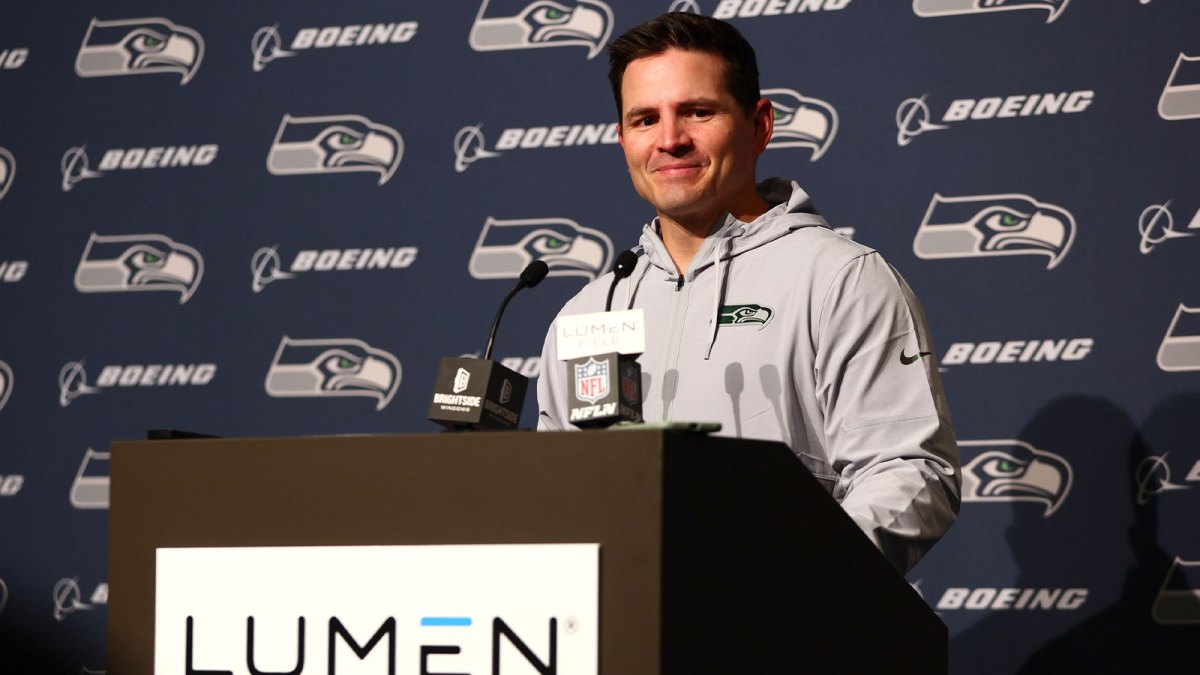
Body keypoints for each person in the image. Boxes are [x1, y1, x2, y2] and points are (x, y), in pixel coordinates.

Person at [536, 12, 960, 573]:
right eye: (644, 119)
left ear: (760, 124)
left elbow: (911, 475)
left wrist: (787, 587)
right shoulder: (588, 310)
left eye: (697, 111)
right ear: (622, 139)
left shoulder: (841, 279)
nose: (670, 140)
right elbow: (556, 502)